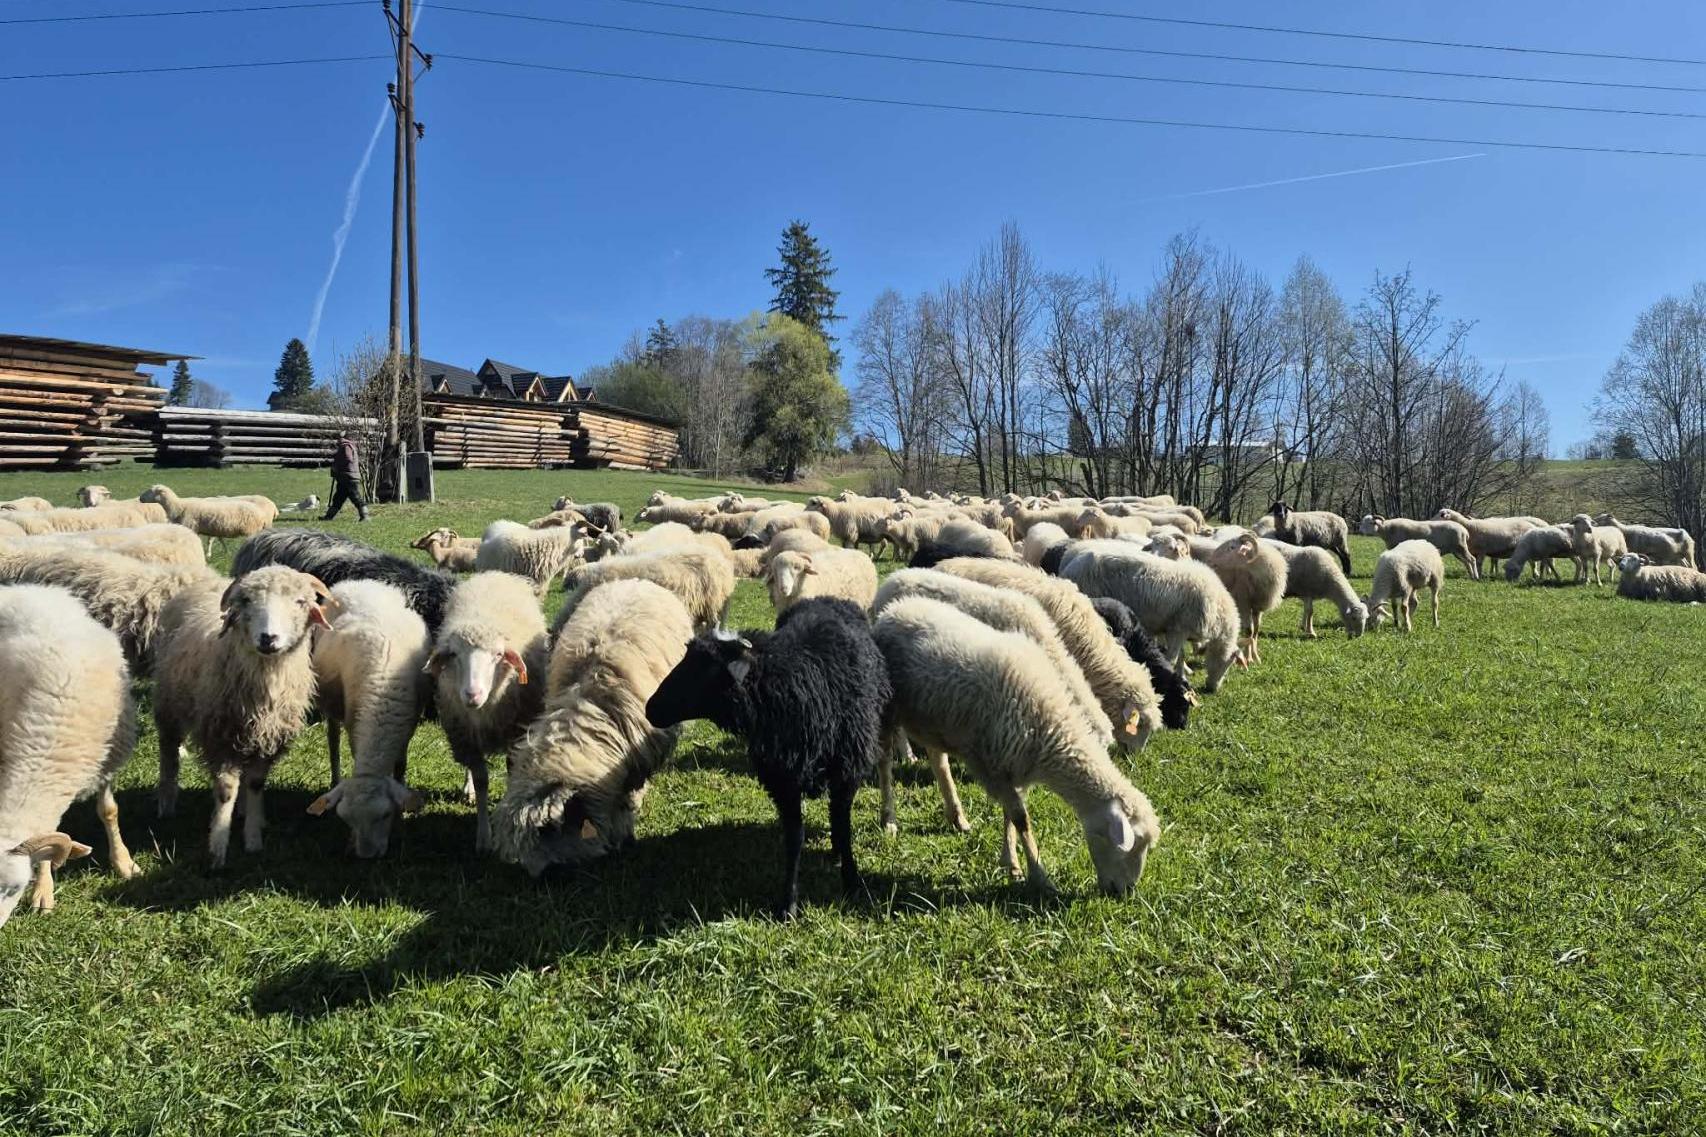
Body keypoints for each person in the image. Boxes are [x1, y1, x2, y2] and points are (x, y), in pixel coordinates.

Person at [321, 430, 370, 522]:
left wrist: (338, 466)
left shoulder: (346, 446)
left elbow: (348, 458)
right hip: (346, 476)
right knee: (338, 498)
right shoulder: (349, 446)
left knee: (355, 497)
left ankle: (365, 516)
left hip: (348, 477)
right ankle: (328, 517)